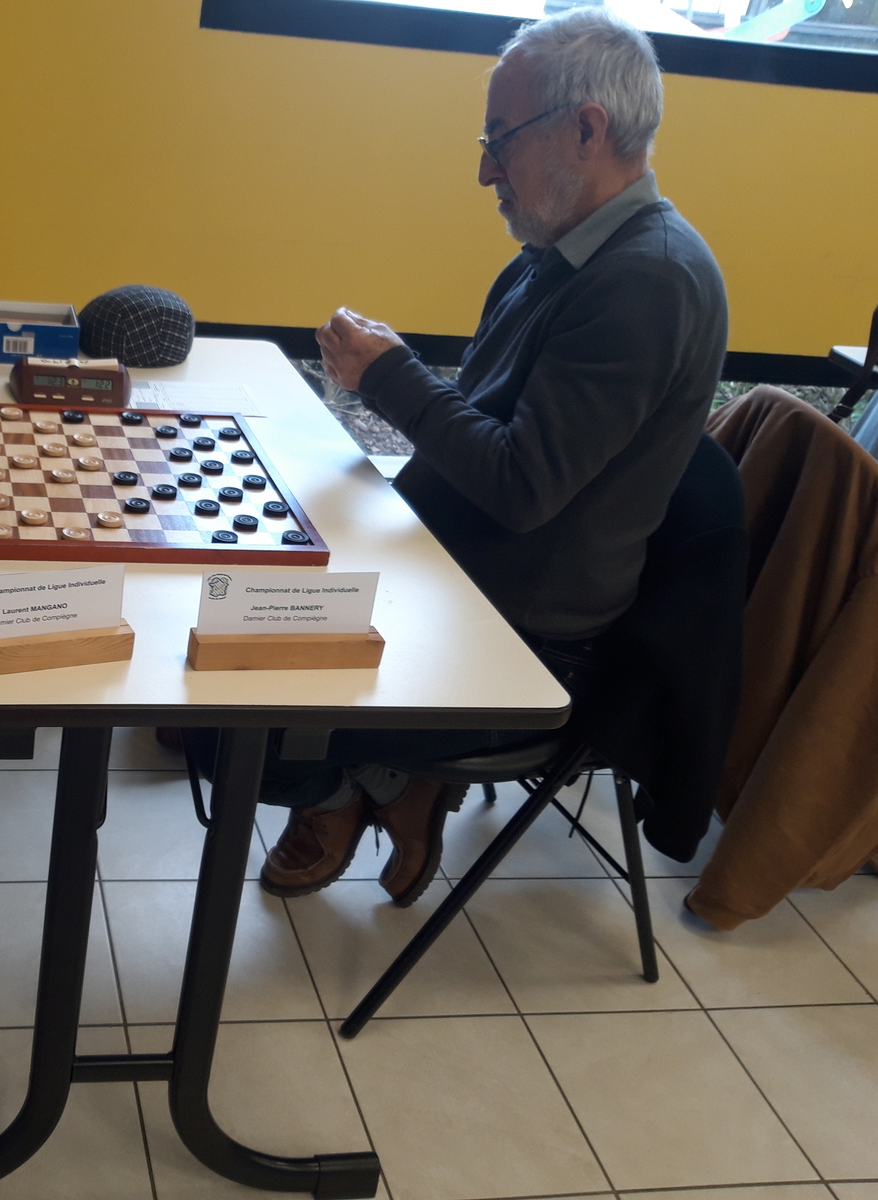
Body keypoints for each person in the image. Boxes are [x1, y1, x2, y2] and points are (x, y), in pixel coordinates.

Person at [251, 7, 729, 904]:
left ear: (586, 129)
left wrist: (389, 377)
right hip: (457, 564)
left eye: (499, 140)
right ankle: (380, 780)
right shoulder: (553, 256)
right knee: (236, 591)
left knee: (235, 709)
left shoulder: (648, 280)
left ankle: (365, 786)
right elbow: (480, 430)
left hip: (521, 630)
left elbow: (520, 485)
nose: (484, 171)